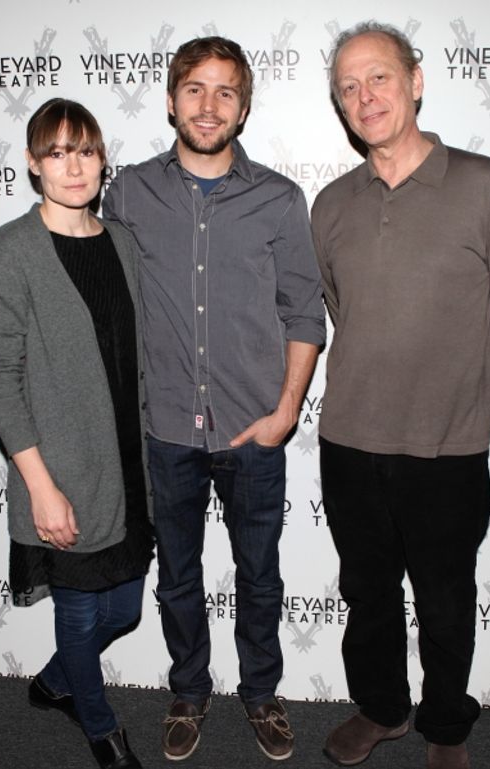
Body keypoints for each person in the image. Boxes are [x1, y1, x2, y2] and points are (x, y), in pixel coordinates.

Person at [311, 21, 490, 769]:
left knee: (445, 602)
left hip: (447, 448)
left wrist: (476, 403)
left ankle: (446, 725)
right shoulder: (331, 205)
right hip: (349, 442)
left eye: (377, 76)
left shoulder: (484, 185)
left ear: (416, 80)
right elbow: (344, 309)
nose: (363, 95)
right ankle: (381, 707)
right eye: (347, 86)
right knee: (367, 596)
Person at [104, 36, 325, 762]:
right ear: (171, 99)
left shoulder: (279, 199)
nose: (209, 105)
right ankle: (188, 690)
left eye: (226, 92)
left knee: (260, 575)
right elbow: (106, 298)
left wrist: (285, 412)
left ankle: (261, 693)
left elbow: (303, 313)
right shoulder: (131, 191)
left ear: (244, 107)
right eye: (195, 89)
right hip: (165, 427)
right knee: (178, 577)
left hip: (252, 429)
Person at [0, 98, 154, 769]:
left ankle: (56, 680)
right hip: (62, 472)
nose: (72, 166)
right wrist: (40, 487)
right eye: (56, 152)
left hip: (129, 468)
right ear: (32, 162)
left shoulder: (124, 243)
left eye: (84, 151)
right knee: (80, 617)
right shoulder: (12, 251)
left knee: (123, 609)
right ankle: (100, 722)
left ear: (102, 160)